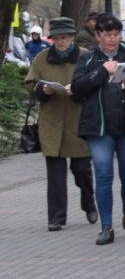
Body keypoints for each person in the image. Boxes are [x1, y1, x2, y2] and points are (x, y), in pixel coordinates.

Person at [69, 13, 125, 245]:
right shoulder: (89, 58)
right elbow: (78, 87)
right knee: (103, 175)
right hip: (98, 127)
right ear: (98, 35)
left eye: (116, 34)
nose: (112, 39)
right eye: (108, 34)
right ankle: (106, 226)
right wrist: (103, 71)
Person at [23, 17, 97, 232]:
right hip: (52, 121)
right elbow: (31, 82)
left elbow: (96, 82)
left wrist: (79, 89)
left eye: (64, 37)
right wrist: (42, 90)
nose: (61, 41)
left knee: (81, 168)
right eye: (57, 38)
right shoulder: (42, 58)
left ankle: (88, 201)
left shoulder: (86, 56)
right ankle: (56, 218)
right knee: (55, 173)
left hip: (78, 120)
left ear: (72, 37)